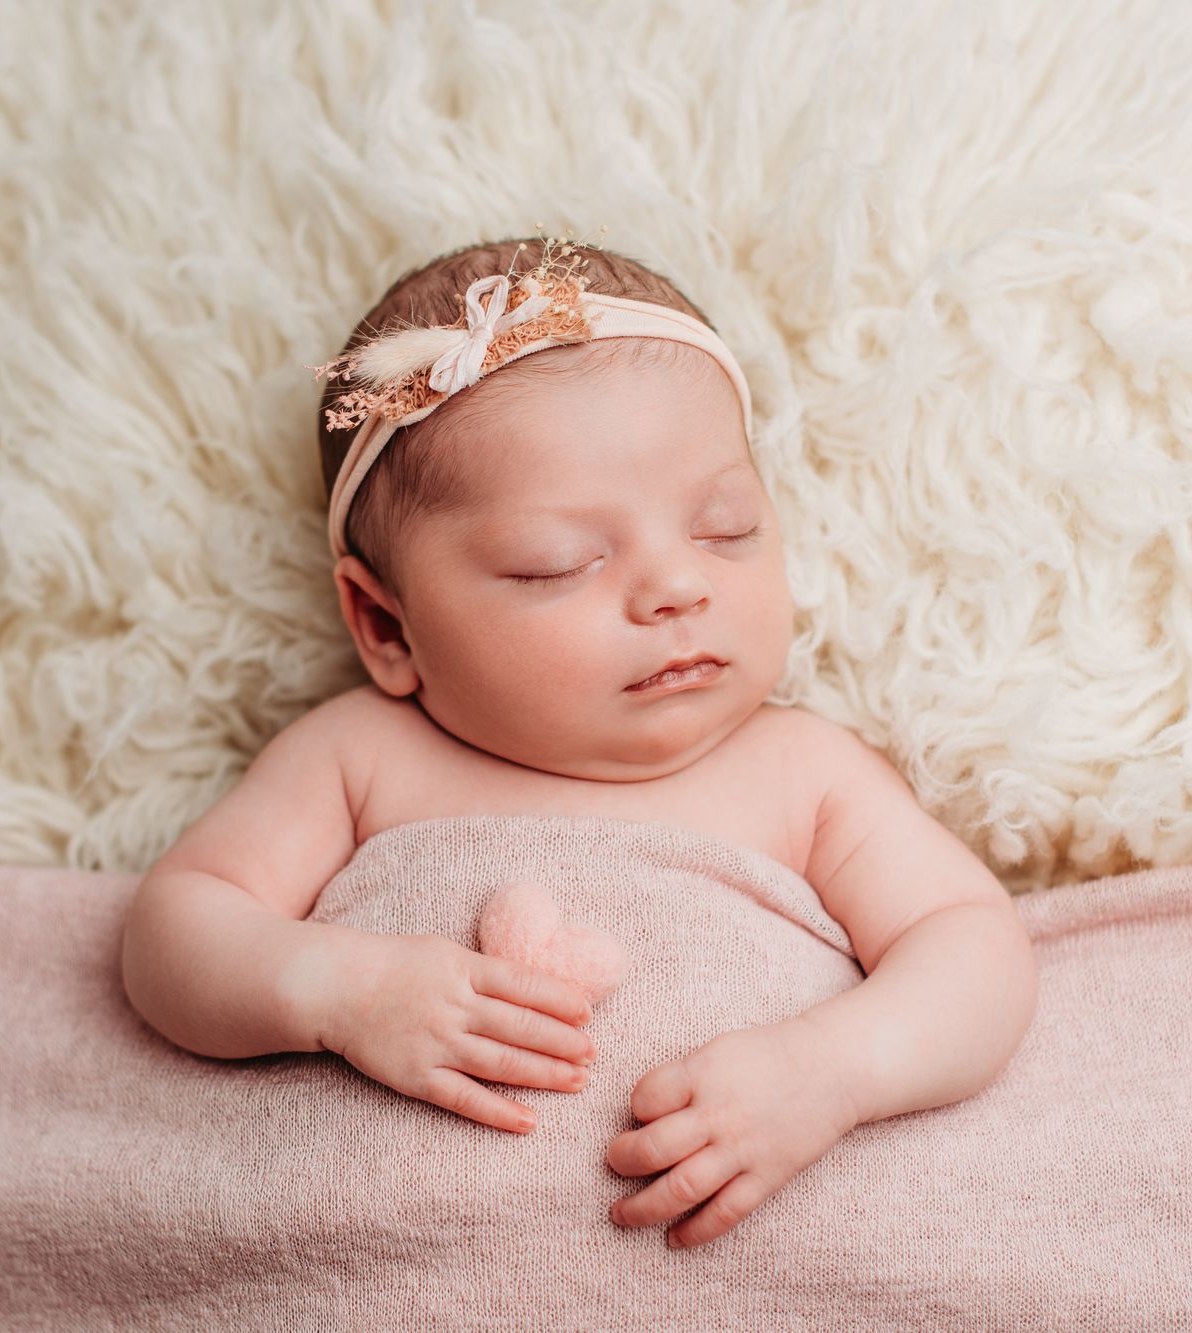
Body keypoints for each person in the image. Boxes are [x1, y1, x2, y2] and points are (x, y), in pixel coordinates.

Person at [120, 232, 1038, 1250]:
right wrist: (341, 989)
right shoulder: (357, 758)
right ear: (384, 625)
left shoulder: (801, 771)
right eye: (560, 562)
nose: (677, 586)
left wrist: (832, 1069)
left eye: (725, 527)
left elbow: (971, 945)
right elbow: (176, 931)